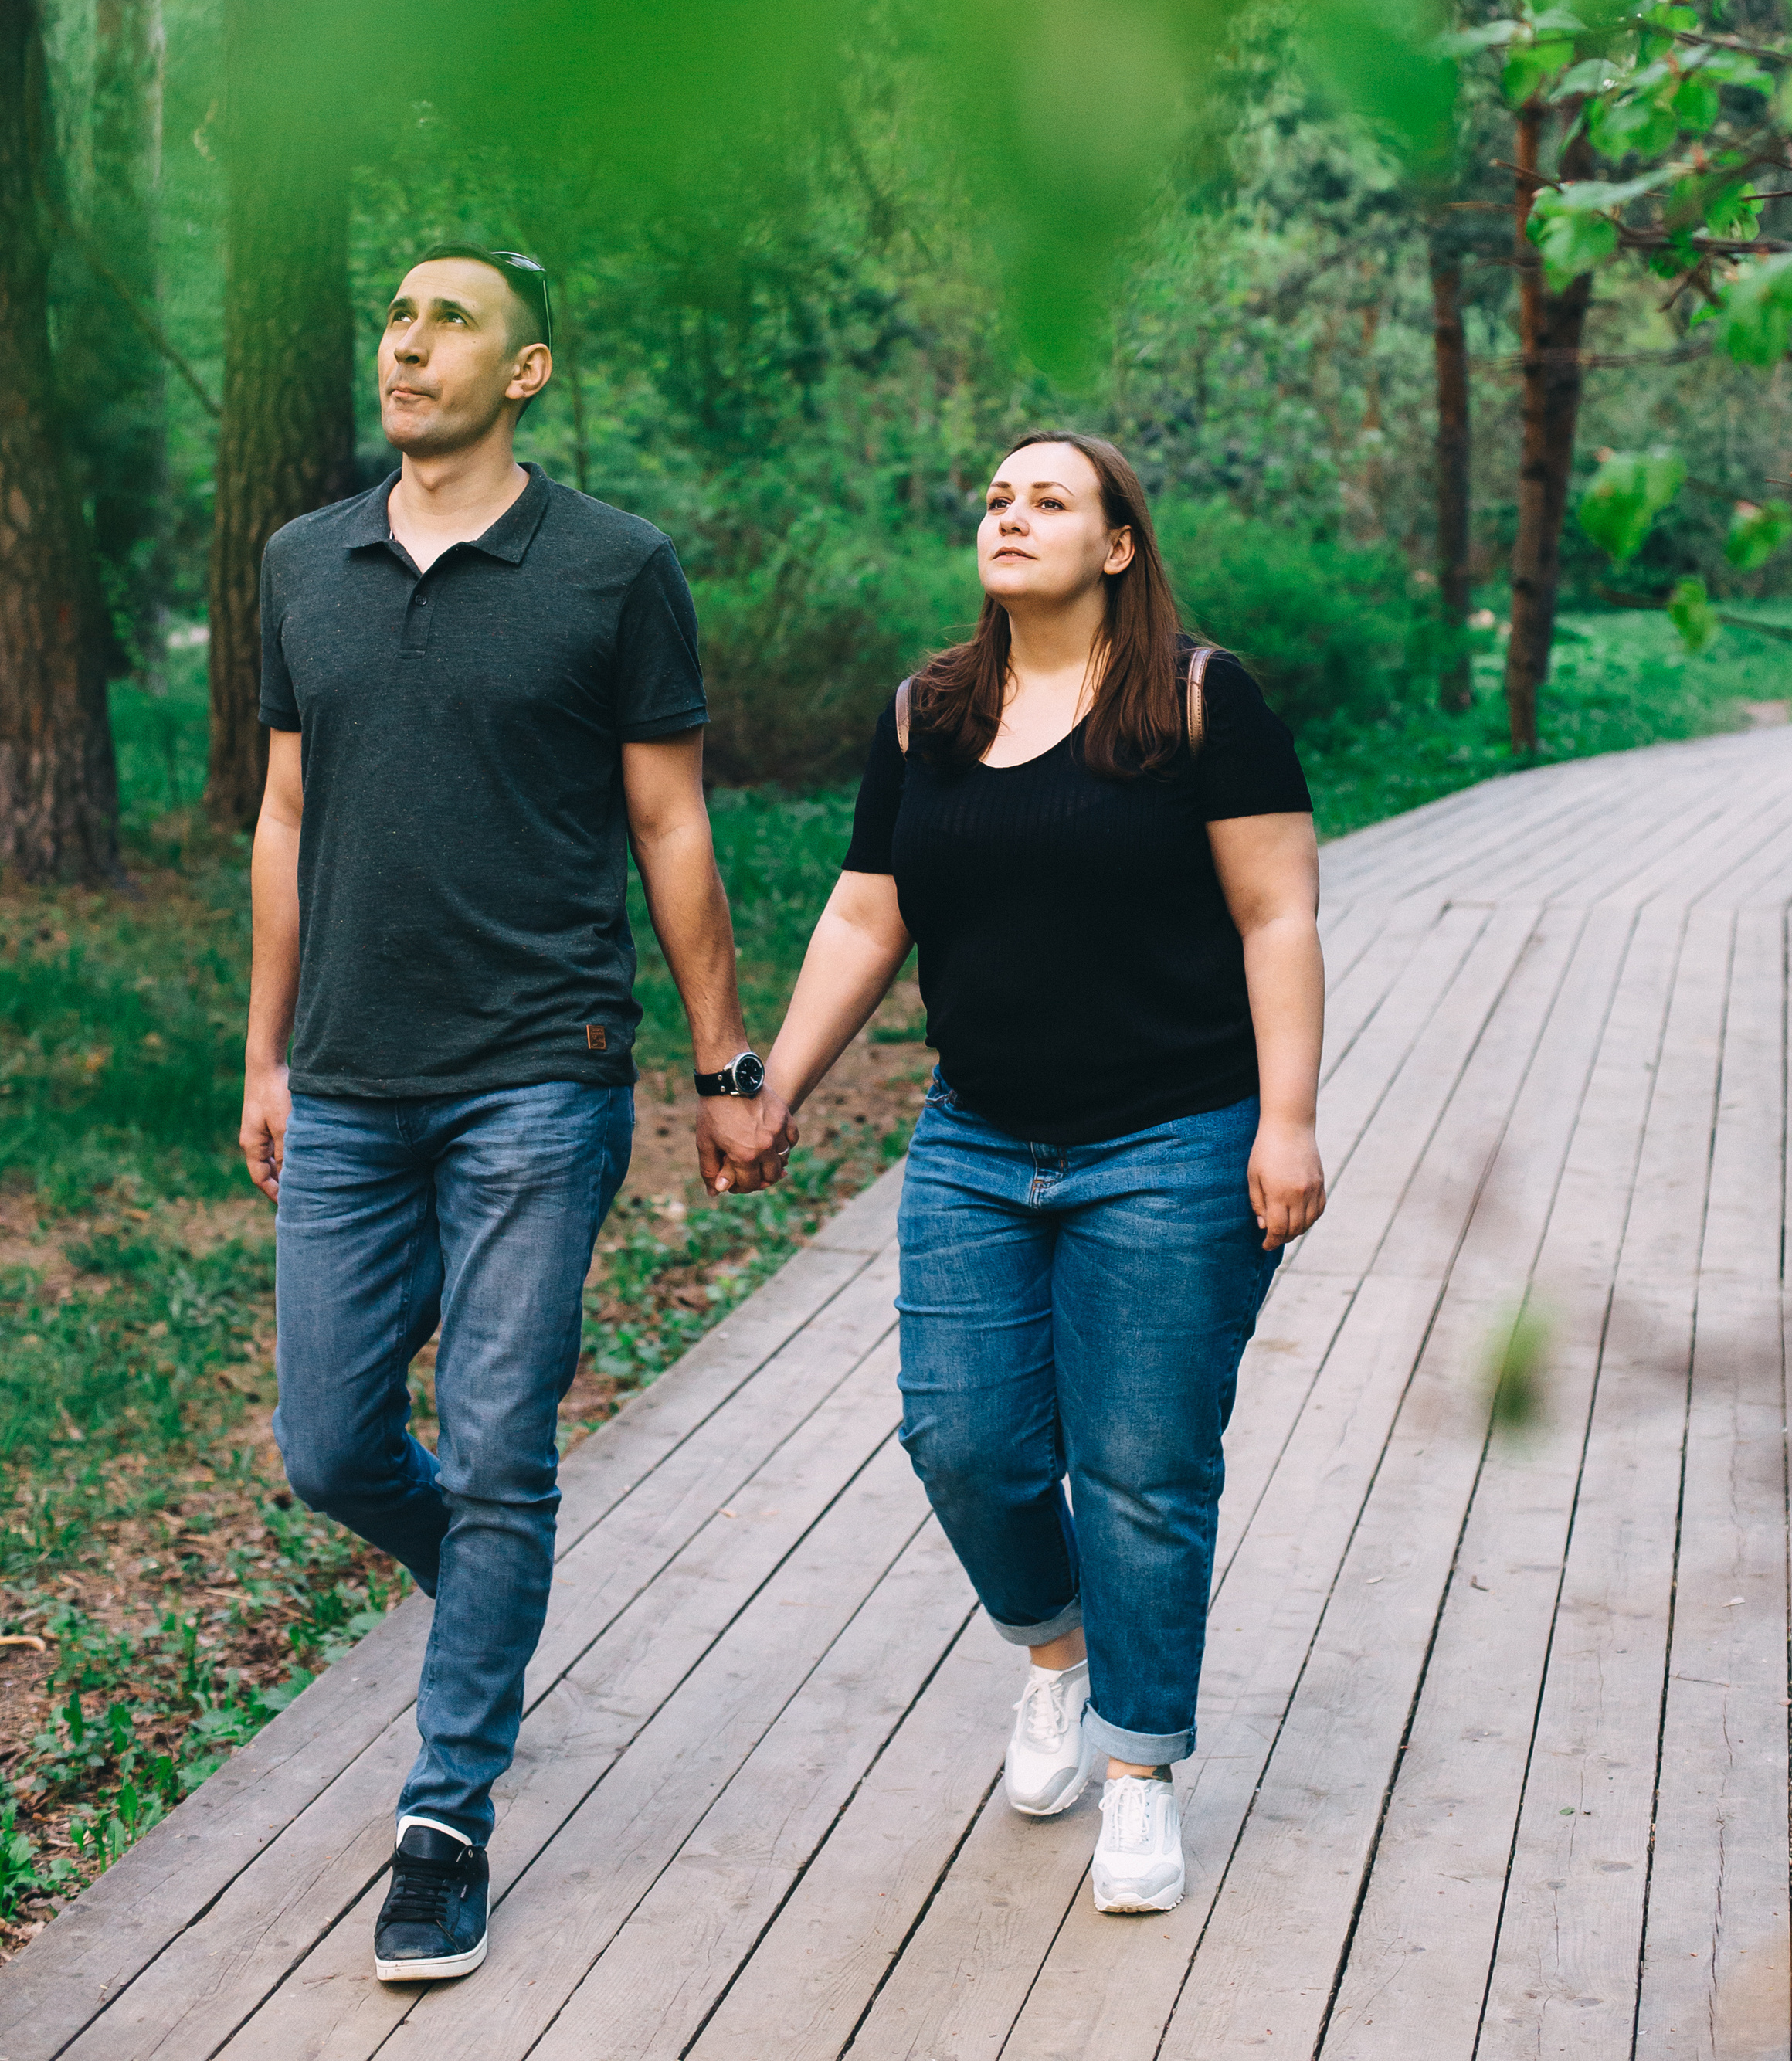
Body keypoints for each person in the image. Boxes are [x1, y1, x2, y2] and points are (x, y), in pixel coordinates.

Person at [698, 432, 1325, 1916]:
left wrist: (1285, 1119)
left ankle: (1139, 1768)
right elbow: (868, 914)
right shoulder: (928, 711)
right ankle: (1056, 1651)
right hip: (977, 1140)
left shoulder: (1196, 699)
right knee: (959, 1440)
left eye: (1050, 498)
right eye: (995, 496)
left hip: (1173, 1140)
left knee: (1140, 1466)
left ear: (1118, 545)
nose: (1012, 514)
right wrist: (770, 1084)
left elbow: (1277, 913)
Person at [241, 244, 766, 1987]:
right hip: (348, 1079)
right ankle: (482, 1593)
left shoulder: (613, 568)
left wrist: (721, 1059)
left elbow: (672, 825)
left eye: (448, 318)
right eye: (392, 316)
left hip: (540, 1072)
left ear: (526, 372)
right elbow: (286, 814)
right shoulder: (301, 561)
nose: (405, 341)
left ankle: (444, 1812)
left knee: (502, 1443)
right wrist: (265, 1056)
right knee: (328, 1445)